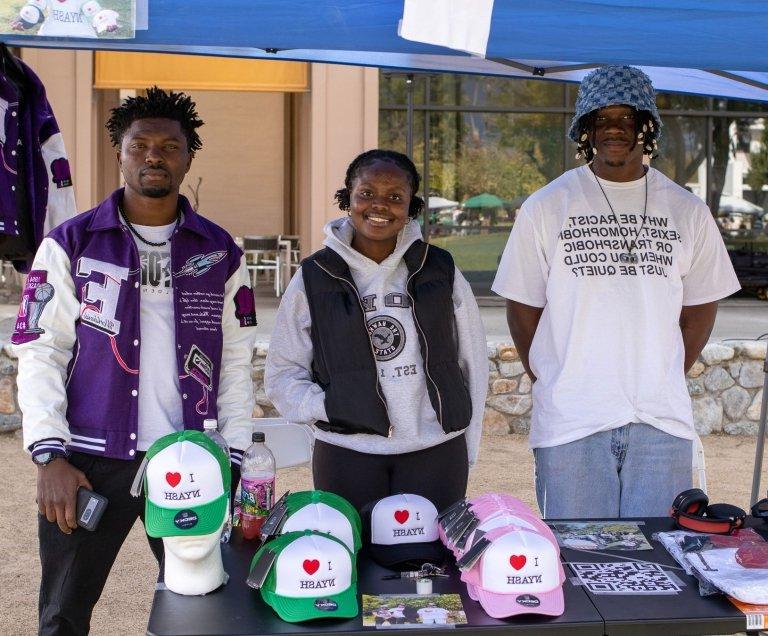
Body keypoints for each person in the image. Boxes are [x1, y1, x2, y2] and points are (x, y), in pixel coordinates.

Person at [14, 87, 257, 634]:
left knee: (206, 613)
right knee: (62, 615)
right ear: (119, 153)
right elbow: (39, 350)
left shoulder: (218, 252)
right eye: (139, 144)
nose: (153, 156)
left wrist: (234, 457)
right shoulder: (69, 244)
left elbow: (236, 359)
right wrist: (48, 455)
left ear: (188, 157)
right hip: (87, 459)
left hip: (191, 460)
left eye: (169, 146)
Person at [492, 66, 740, 519]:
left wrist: (662, 371)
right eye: (601, 118)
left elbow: (700, 310)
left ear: (646, 127)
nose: (614, 128)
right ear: (585, 129)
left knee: (660, 568)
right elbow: (523, 308)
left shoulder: (687, 210)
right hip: (572, 421)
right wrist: (553, 377)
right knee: (584, 563)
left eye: (626, 118)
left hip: (660, 422)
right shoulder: (547, 206)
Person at [265, 149, 488, 512]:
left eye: (395, 197)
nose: (379, 205)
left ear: (411, 207)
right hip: (347, 454)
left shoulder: (440, 269)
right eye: (366, 193)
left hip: (436, 451)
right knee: (348, 562)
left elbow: (473, 364)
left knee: (429, 565)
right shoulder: (314, 276)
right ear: (347, 198)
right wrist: (330, 407)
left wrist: (467, 448)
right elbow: (282, 373)